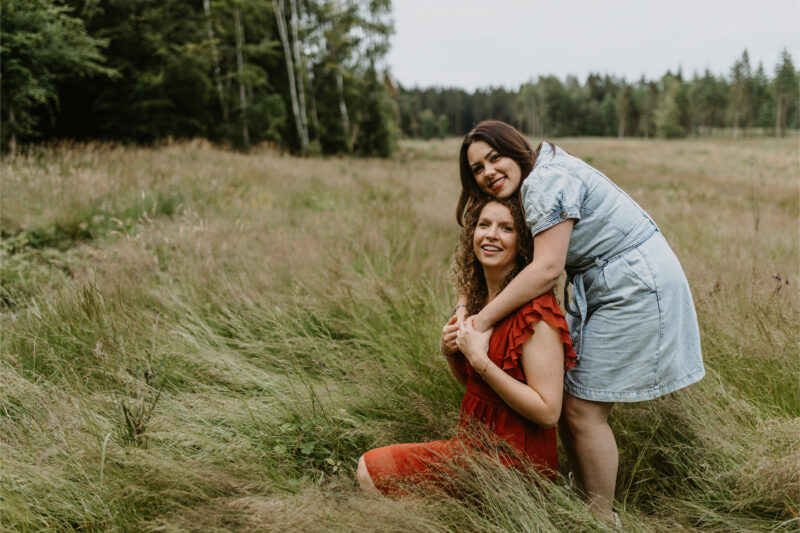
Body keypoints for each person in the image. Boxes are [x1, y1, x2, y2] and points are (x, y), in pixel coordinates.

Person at [451, 120, 705, 522]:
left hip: (633, 286)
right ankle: (585, 496)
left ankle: (601, 520)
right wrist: (465, 306)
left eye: (494, 157)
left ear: (516, 149)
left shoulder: (545, 182)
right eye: (478, 168)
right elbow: (480, 256)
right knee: (569, 398)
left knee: (582, 410)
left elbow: (547, 269)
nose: (488, 173)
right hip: (611, 283)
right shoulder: (536, 179)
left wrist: (479, 324)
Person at [356, 197, 577, 496]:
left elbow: (549, 412)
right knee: (377, 471)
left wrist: (482, 361)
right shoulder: (478, 302)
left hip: (515, 461)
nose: (491, 235)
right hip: (472, 446)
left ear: (523, 242)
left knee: (371, 469)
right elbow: (478, 388)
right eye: (484, 225)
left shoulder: (537, 314)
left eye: (506, 228)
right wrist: (450, 352)